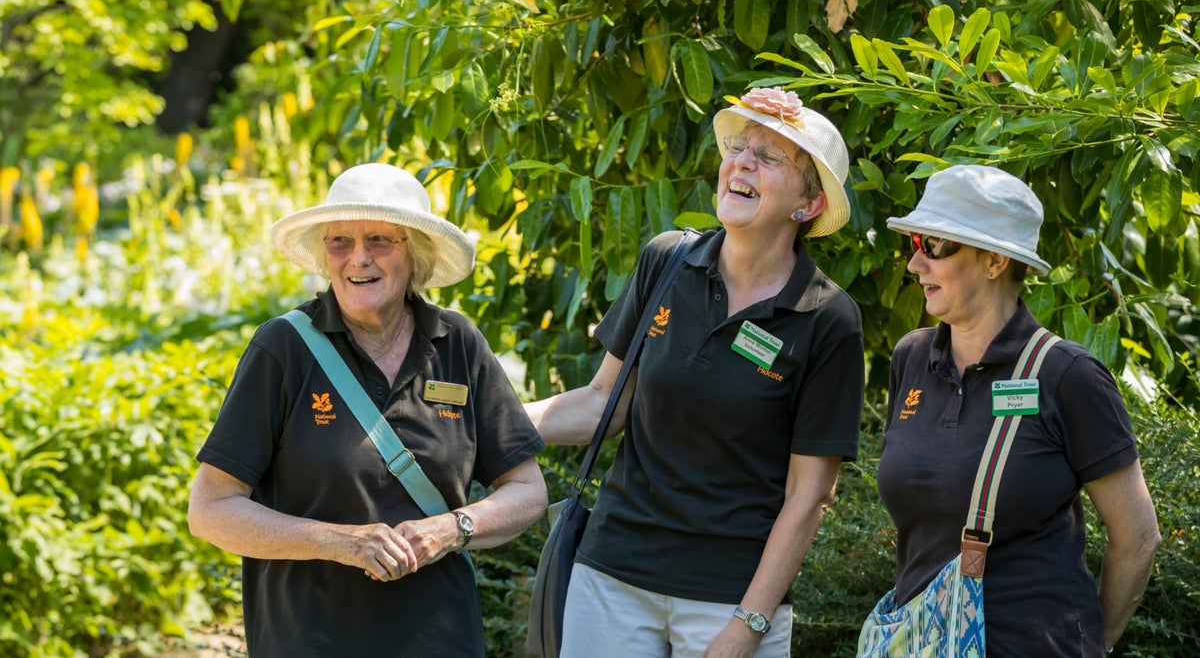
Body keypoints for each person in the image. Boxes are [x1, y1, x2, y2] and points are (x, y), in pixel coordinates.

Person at [525, 87, 865, 657]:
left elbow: (809, 495)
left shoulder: (828, 318)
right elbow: (602, 402)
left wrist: (748, 625)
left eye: (769, 156)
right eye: (738, 147)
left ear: (808, 205)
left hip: (729, 599)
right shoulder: (667, 261)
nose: (742, 162)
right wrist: (489, 423)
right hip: (611, 578)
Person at [188, 163, 547, 657]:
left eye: (380, 239)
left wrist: (452, 529)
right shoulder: (284, 348)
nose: (359, 258)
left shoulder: (457, 342)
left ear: (416, 253)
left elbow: (527, 490)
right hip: (309, 642)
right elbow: (211, 510)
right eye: (341, 241)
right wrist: (340, 542)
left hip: (441, 639)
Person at [877, 164, 1161, 656]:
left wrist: (1092, 642)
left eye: (935, 245)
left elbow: (1137, 537)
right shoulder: (911, 358)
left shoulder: (1067, 375)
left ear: (994, 261)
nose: (915, 264)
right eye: (916, 242)